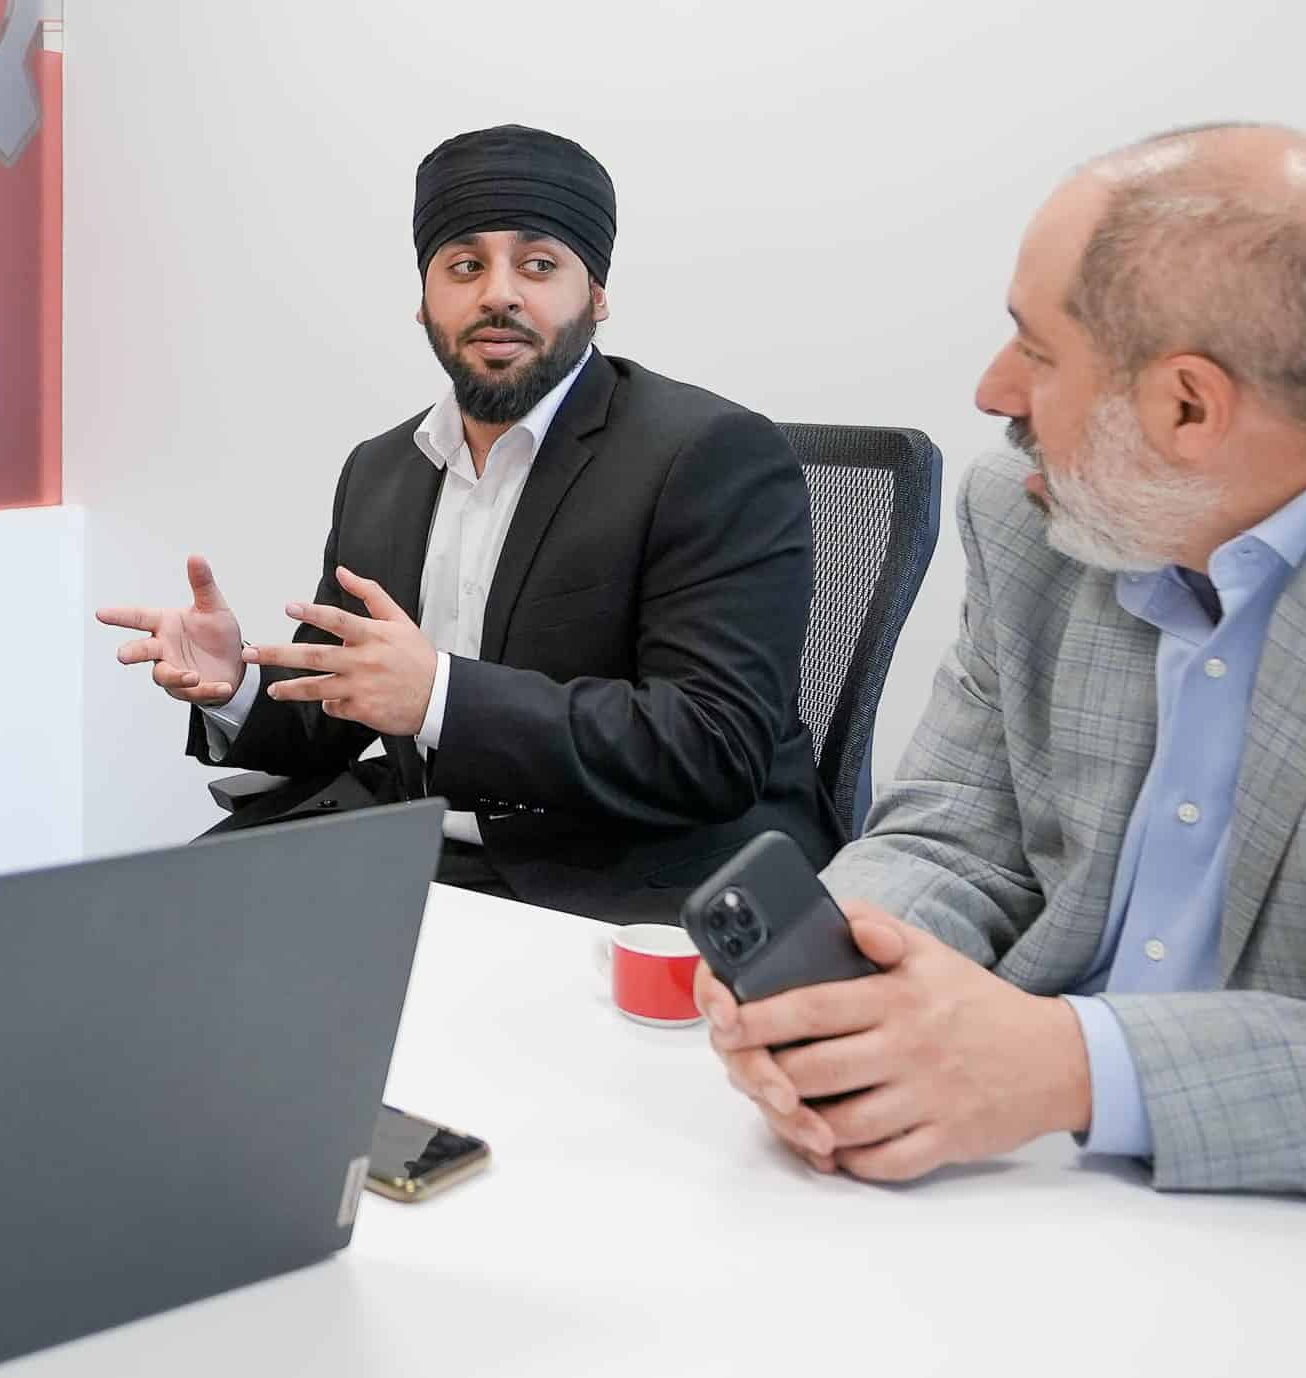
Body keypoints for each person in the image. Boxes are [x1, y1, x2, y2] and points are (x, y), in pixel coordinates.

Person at [704, 123, 1306, 1203]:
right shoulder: (1034, 514)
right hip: (1004, 1193)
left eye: (1035, 352)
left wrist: (1076, 1067)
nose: (994, 394)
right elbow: (955, 827)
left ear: (1187, 405)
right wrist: (841, 982)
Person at [99, 124, 842, 916]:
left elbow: (712, 746)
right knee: (150, 946)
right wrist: (234, 686)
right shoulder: (381, 470)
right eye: (464, 266)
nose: (498, 293)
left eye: (539, 264)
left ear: (597, 294)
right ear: (424, 303)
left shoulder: (710, 454)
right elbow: (339, 710)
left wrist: (441, 697)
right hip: (419, 852)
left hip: (631, 869)